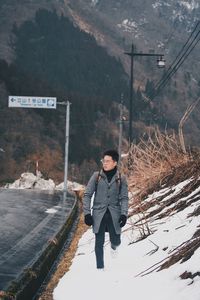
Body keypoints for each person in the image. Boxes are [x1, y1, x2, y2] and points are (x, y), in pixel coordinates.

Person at [83, 149, 129, 269]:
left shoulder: (121, 178)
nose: (105, 163)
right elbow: (87, 195)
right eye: (104, 161)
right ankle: (100, 268)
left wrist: (124, 214)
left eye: (108, 161)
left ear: (115, 163)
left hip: (115, 214)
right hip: (99, 213)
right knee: (99, 242)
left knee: (116, 241)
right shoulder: (96, 176)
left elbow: (124, 198)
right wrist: (87, 214)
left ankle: (114, 247)